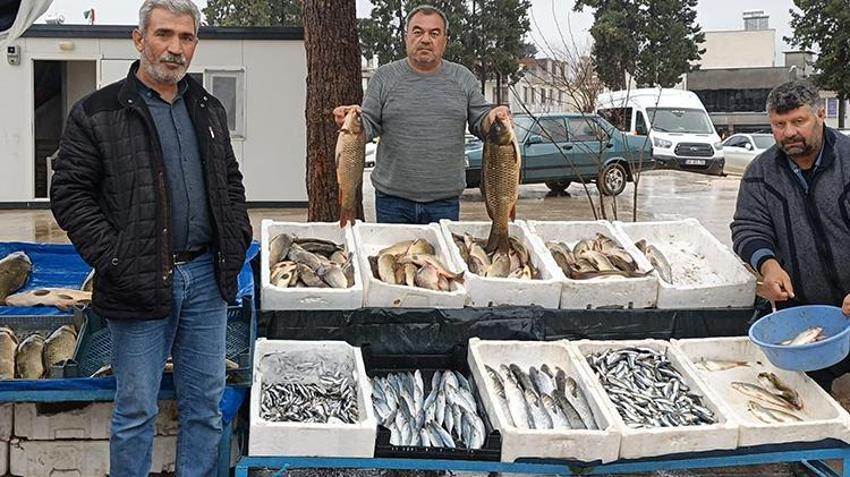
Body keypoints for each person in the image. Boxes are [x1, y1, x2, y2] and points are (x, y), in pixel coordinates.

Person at [49, 1, 252, 475]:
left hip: (206, 278)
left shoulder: (208, 108)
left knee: (204, 406)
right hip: (137, 282)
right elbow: (70, 194)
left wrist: (237, 237)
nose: (175, 48)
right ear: (139, 40)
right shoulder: (96, 113)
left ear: (195, 45)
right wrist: (115, 258)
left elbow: (230, 180)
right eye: (164, 35)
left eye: (186, 38)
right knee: (135, 410)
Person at [334, 4, 510, 224]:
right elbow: (368, 124)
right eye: (418, 32)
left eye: (434, 33)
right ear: (406, 37)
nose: (426, 39)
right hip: (391, 201)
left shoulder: (463, 78)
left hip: (445, 202)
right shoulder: (384, 77)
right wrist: (351, 122)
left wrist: (493, 119)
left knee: (439, 259)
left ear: (444, 40)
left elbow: (481, 122)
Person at [731, 80, 850, 384]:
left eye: (799, 121)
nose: (789, 132)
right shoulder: (760, 172)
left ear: (820, 115)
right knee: (808, 405)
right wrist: (768, 266)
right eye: (779, 124)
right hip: (803, 314)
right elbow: (748, 226)